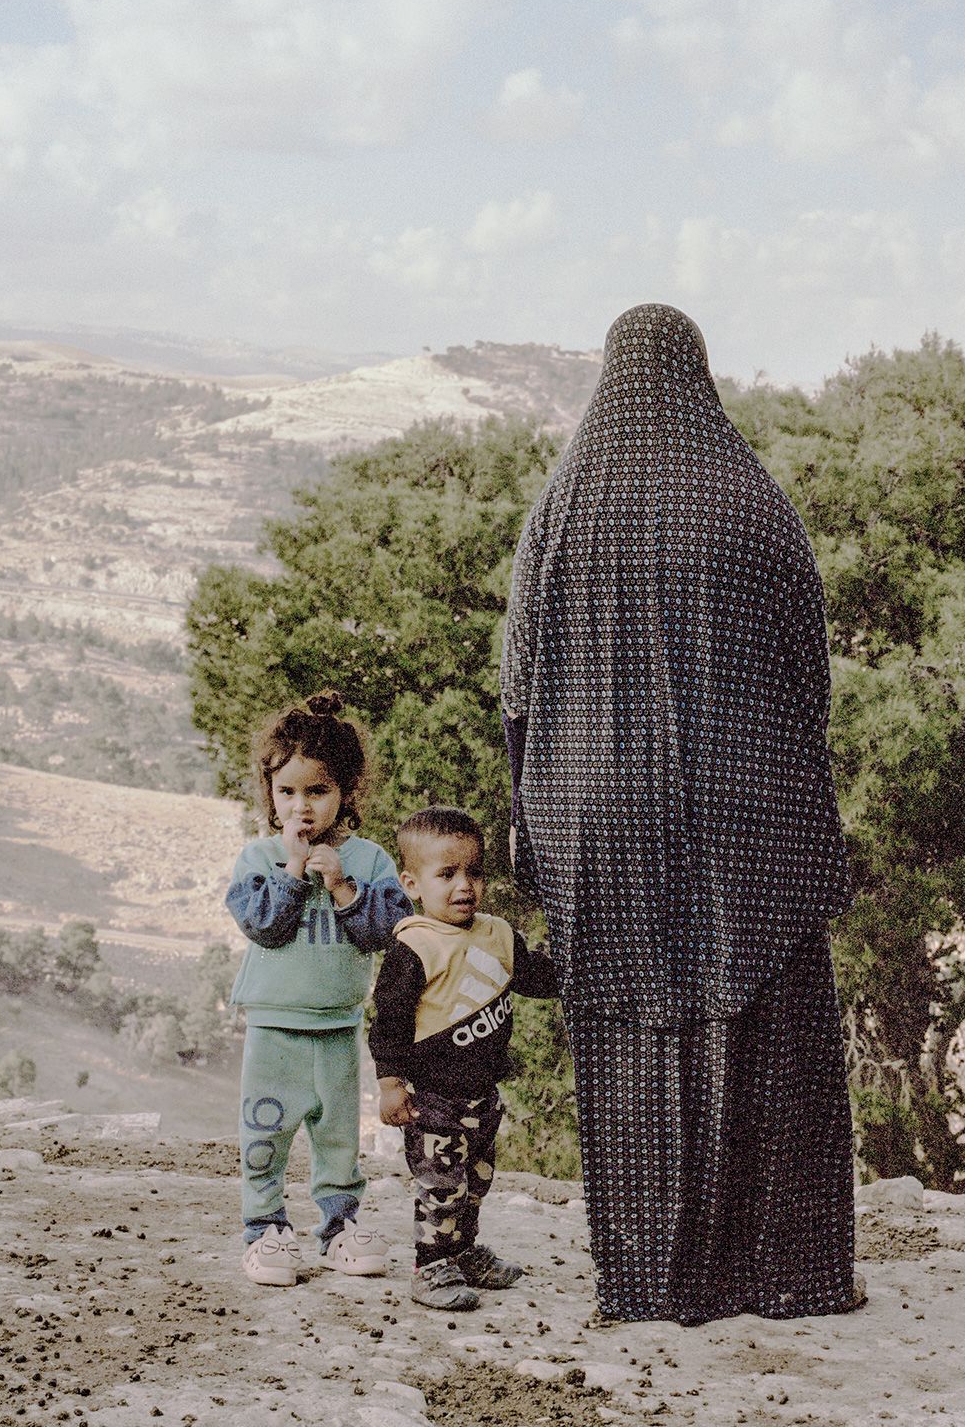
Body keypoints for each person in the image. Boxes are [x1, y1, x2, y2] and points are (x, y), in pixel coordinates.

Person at [500, 302, 861, 1325]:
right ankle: (787, 1275)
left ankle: (653, 1282)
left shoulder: (563, 508)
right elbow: (808, 674)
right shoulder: (754, 502)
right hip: (752, 808)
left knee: (630, 1040)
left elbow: (519, 685)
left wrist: (532, 814)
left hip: (600, 810)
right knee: (767, 1035)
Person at [224, 690, 412, 1287]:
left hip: (336, 1027)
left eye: (317, 791)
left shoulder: (371, 860)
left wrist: (344, 890)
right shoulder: (257, 859)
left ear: (346, 793)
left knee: (335, 1138)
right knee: (266, 1131)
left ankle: (339, 1228)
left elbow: (387, 933)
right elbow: (265, 928)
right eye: (287, 792)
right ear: (269, 793)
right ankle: (265, 1230)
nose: (301, 807)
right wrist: (292, 872)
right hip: (273, 1026)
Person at [370, 805, 559, 1312]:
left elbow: (539, 980)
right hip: (433, 1098)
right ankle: (430, 1266)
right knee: (441, 1185)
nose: (464, 886)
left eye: (474, 872)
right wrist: (391, 1086)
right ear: (412, 883)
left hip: (483, 1096)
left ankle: (465, 1252)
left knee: (476, 1181)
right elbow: (387, 1023)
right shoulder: (415, 947)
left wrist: (578, 959)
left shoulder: (496, 935)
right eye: (447, 874)